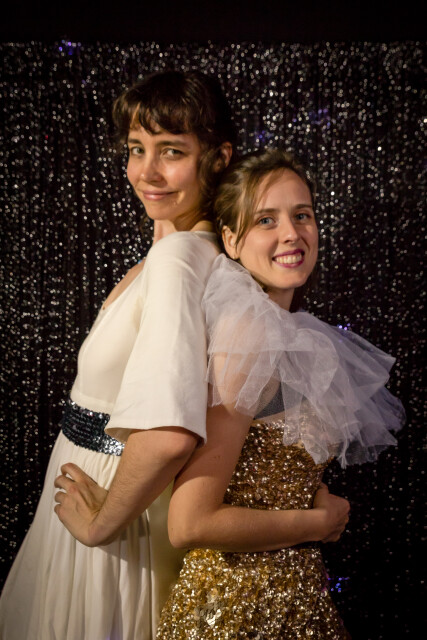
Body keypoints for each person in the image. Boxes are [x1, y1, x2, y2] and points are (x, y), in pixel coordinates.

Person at [0, 69, 235, 640]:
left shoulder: (178, 261)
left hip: (112, 518)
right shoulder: (181, 255)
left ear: (218, 158)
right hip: (103, 497)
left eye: (171, 151)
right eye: (136, 149)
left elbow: (170, 435)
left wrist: (102, 525)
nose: (146, 171)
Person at [156, 149, 405, 639]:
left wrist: (310, 493)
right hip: (236, 610)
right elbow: (190, 523)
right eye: (266, 220)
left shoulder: (294, 336)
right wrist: (316, 523)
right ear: (231, 240)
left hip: (295, 597)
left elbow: (271, 467)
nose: (292, 233)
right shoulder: (246, 334)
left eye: (302, 215)